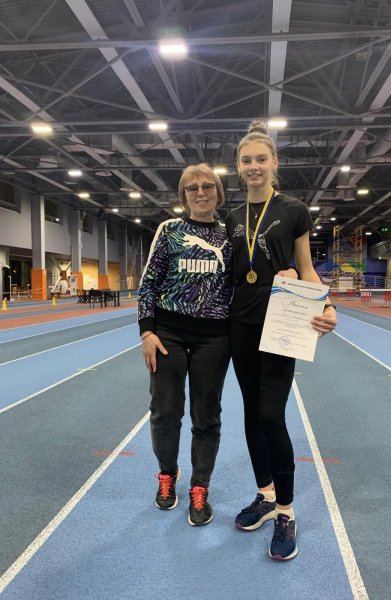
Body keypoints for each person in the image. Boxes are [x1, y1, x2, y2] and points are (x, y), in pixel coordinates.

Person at [225, 120, 337, 561]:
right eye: (246, 160)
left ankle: (287, 511)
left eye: (260, 159)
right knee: (252, 415)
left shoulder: (294, 210)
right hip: (240, 326)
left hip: (280, 326)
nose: (253, 166)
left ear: (274, 162)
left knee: (272, 414)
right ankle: (266, 495)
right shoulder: (231, 218)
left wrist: (327, 305)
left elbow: (305, 268)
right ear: (238, 167)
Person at [137, 163, 233, 527]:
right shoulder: (170, 230)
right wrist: (147, 332)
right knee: (165, 411)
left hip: (215, 336)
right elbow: (148, 283)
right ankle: (167, 474)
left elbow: (247, 280)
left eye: (208, 186)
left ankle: (200, 486)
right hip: (168, 335)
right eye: (192, 188)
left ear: (218, 192)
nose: (201, 192)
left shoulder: (231, 234)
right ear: (183, 195)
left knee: (206, 415)